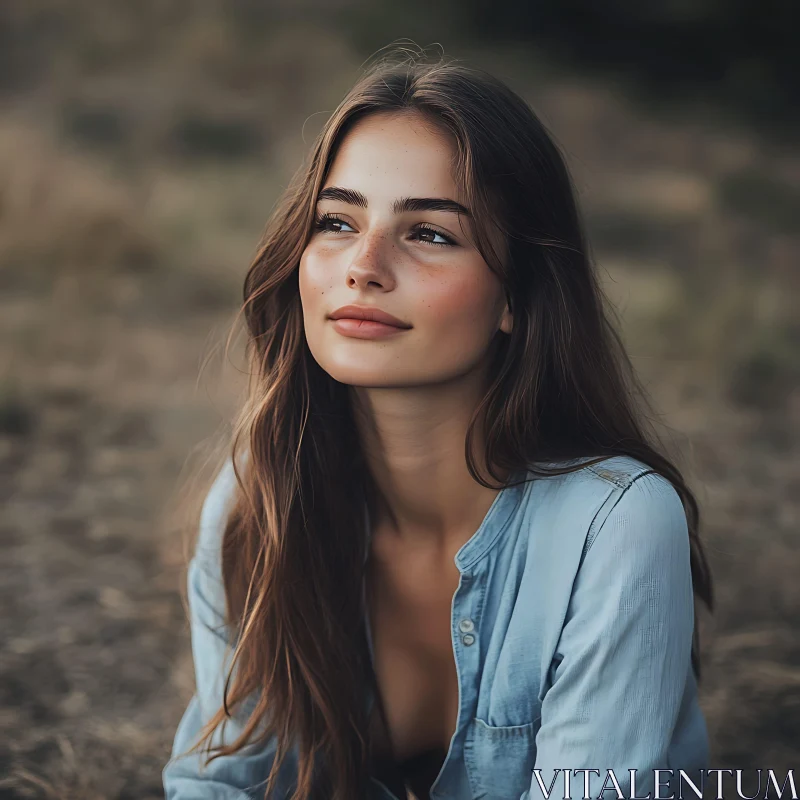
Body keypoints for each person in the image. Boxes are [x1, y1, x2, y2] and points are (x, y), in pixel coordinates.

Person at [162, 47, 714, 800]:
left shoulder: (614, 528)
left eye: (430, 234)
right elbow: (218, 781)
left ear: (516, 298)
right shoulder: (261, 497)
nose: (363, 264)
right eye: (336, 221)